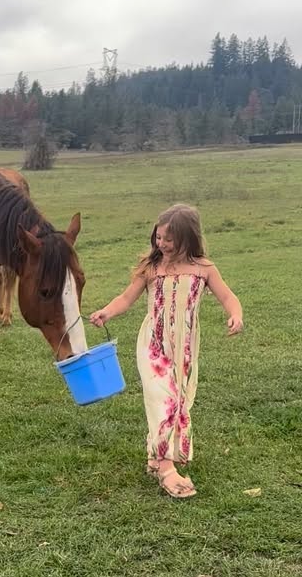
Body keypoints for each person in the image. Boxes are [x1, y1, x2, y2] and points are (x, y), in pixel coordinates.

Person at [90, 204, 243, 499]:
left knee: (180, 401)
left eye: (169, 239)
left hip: (185, 348)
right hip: (154, 344)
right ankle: (166, 469)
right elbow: (126, 298)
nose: (161, 244)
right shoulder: (152, 267)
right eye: (158, 237)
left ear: (188, 238)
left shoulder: (204, 268)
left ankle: (156, 456)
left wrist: (236, 315)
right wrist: (107, 312)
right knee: (164, 400)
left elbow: (228, 297)